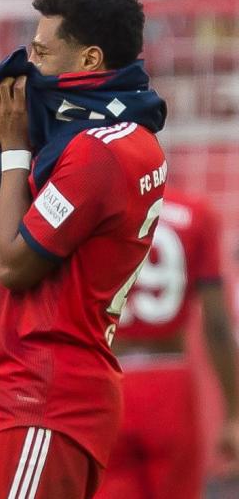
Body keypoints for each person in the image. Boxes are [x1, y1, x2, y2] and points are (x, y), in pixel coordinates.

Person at [0, 0, 168, 499]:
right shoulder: (105, 139)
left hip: (42, 399)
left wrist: (15, 148)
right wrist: (4, 141)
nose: (28, 64)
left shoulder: (99, 152)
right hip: (5, 391)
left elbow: (13, 265)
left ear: (89, 59)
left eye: (41, 50)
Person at [95, 187, 239, 499]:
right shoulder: (195, 213)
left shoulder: (93, 211)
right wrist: (233, 413)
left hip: (107, 377)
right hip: (169, 382)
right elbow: (216, 323)